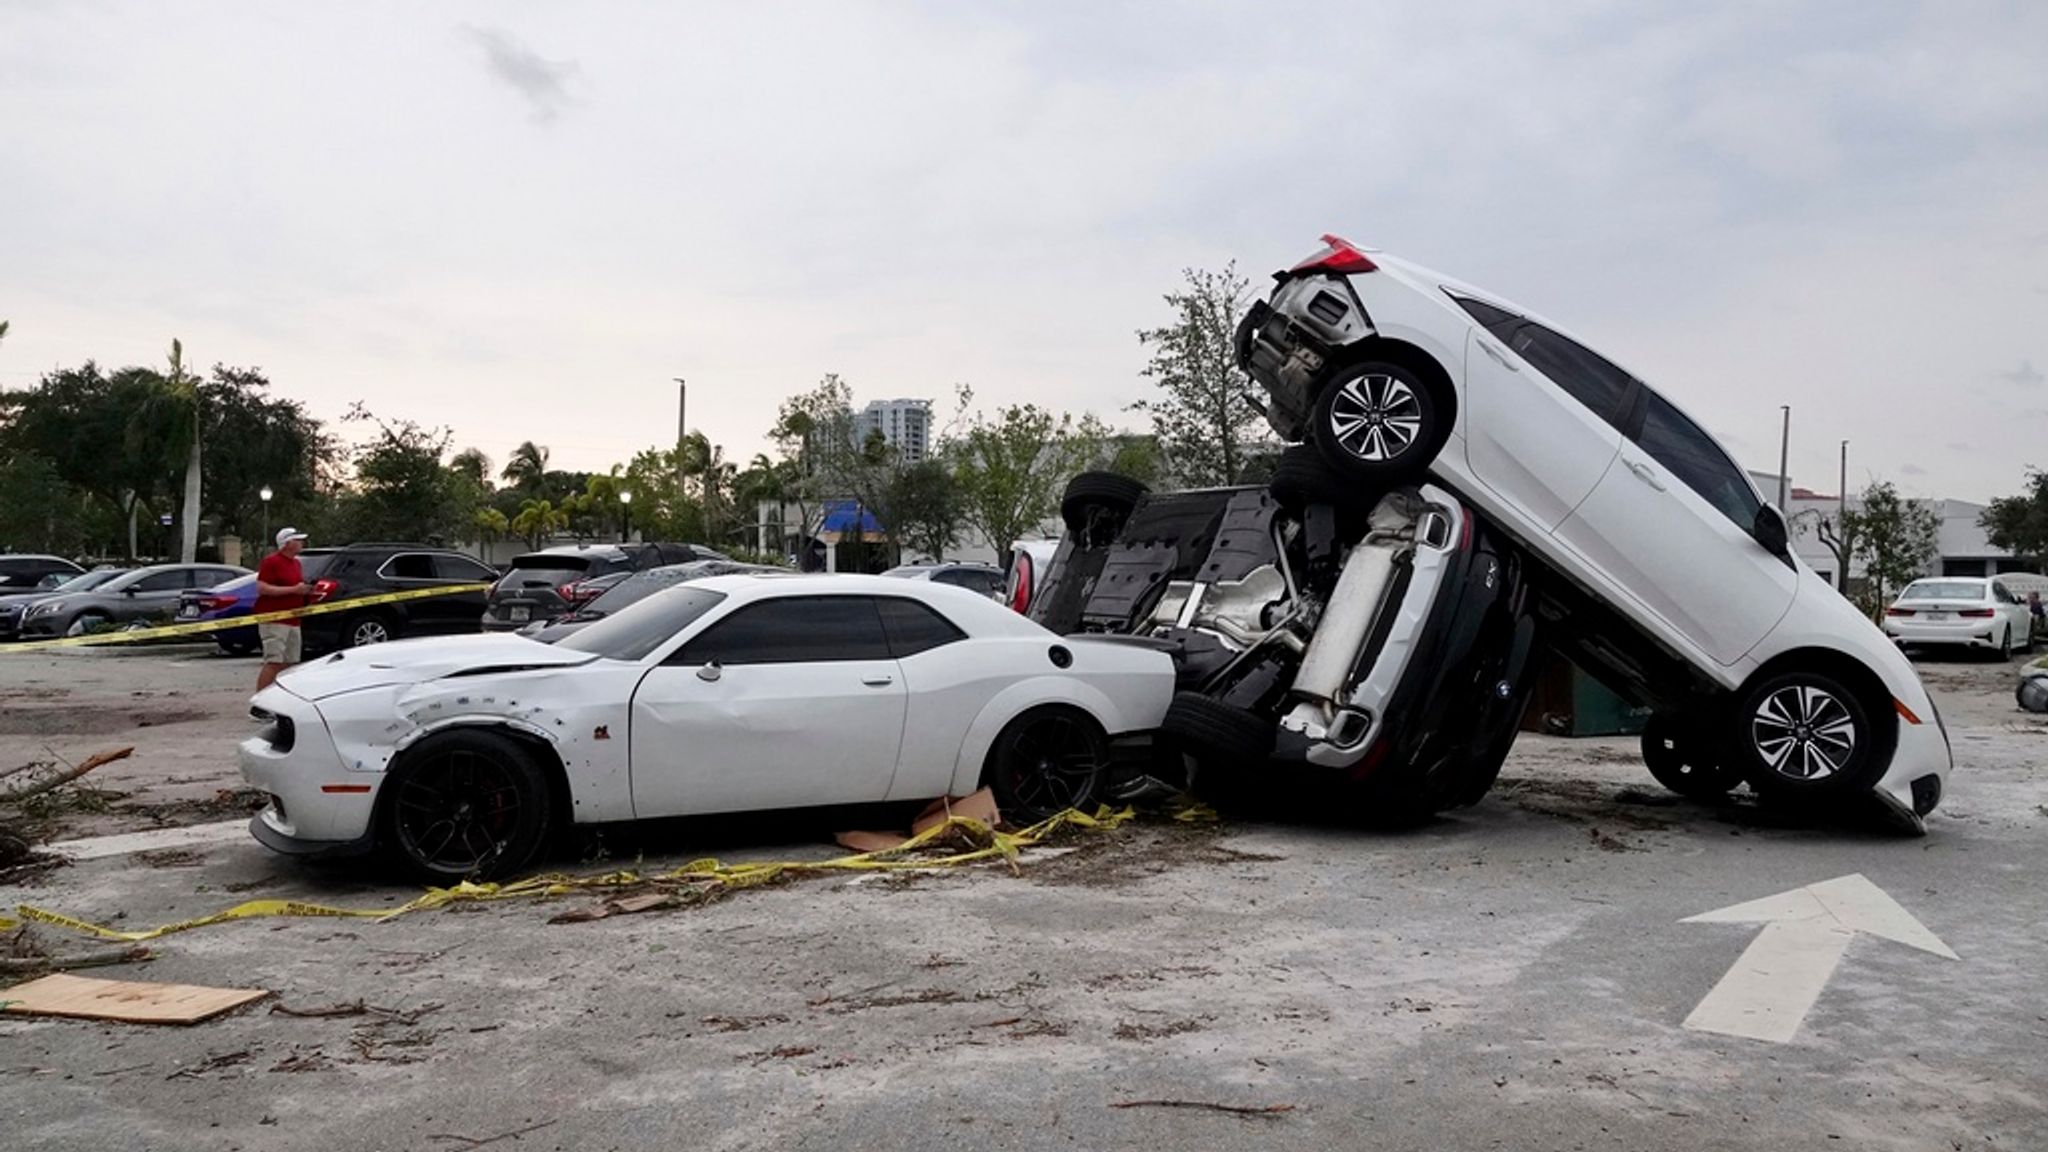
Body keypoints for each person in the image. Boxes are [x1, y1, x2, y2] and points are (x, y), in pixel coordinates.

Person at [254, 528, 313, 690]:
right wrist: (294, 590)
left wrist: (306, 591)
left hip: (294, 620)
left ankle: (283, 699)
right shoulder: (271, 561)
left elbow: (296, 587)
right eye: (298, 540)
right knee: (274, 662)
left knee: (291, 663)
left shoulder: (296, 563)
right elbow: (262, 588)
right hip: (275, 620)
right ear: (287, 544)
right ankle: (260, 701)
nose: (302, 543)